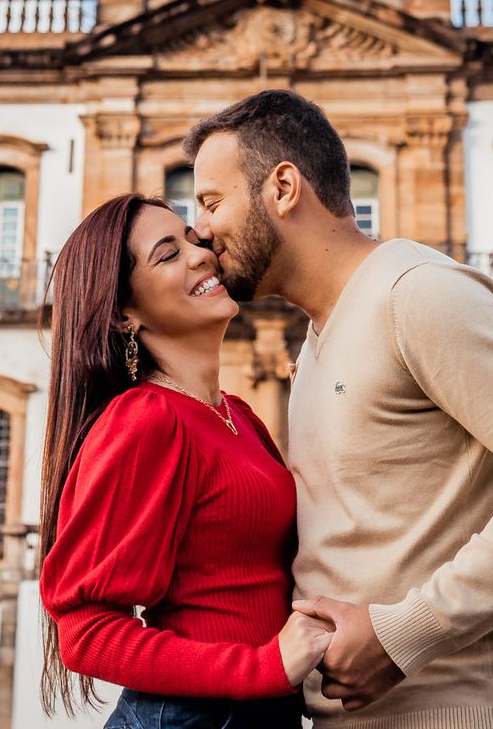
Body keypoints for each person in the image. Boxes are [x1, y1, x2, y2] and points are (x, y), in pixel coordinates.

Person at [187, 91, 493, 727]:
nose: (200, 231)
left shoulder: (415, 292)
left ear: (283, 187)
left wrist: (404, 634)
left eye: (210, 201)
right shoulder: (320, 336)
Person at [37, 193, 329, 729]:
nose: (201, 254)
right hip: (197, 716)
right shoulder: (146, 419)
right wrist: (261, 666)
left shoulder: (236, 415)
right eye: (167, 254)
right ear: (125, 313)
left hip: (261, 710)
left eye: (194, 240)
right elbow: (86, 633)